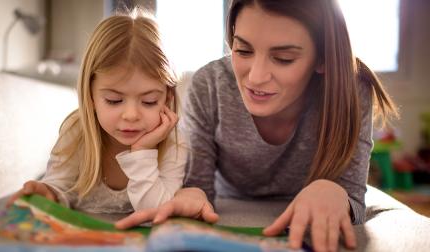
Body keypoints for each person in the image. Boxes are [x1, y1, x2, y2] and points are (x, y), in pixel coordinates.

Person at [115, 0, 398, 251]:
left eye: (283, 58)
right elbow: (198, 186)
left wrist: (335, 193)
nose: (256, 77)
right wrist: (192, 196)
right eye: (243, 50)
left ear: (322, 58)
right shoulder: (209, 85)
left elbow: (354, 201)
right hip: (230, 199)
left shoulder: (352, 89)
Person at [7, 10, 186, 214]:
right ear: (90, 95)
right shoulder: (77, 132)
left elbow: (158, 211)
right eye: (114, 100)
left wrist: (142, 152)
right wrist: (49, 193)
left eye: (149, 101)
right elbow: (58, 186)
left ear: (167, 97)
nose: (131, 115)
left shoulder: (176, 145)